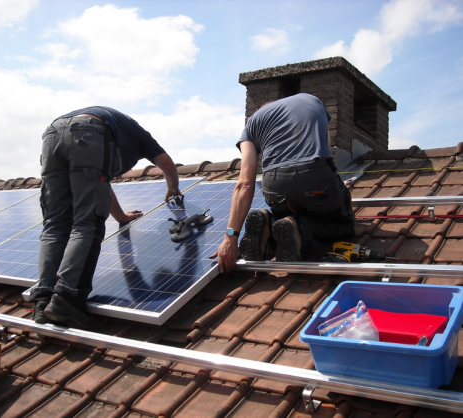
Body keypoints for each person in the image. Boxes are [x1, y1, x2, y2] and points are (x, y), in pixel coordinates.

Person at [30, 106, 182, 328]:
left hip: (53, 134)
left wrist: (121, 217)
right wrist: (173, 189)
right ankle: (66, 300)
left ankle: (43, 302)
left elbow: (100, 185)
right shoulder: (139, 135)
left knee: (55, 225)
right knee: (87, 224)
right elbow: (167, 164)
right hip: (88, 132)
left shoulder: (118, 128)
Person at [211, 93, 355, 273]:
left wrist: (230, 238)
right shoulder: (312, 99)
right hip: (315, 175)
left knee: (285, 215)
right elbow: (327, 151)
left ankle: (269, 224)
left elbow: (245, 183)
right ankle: (299, 230)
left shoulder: (252, 123)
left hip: (275, 185)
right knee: (345, 226)